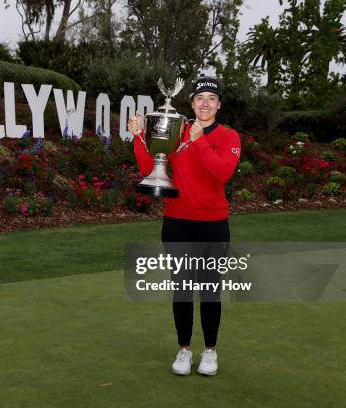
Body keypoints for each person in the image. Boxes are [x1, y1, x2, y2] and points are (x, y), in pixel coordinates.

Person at [127, 76, 241, 376]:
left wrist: (200, 138)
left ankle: (210, 351)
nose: (205, 103)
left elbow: (222, 172)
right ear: (191, 103)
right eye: (200, 98)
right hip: (177, 222)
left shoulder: (229, 136)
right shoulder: (178, 134)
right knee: (181, 288)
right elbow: (149, 166)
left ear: (219, 105)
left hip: (213, 224)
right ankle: (184, 350)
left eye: (211, 99)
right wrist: (139, 137)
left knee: (209, 289)